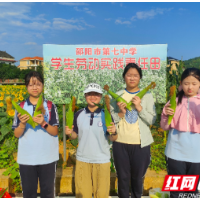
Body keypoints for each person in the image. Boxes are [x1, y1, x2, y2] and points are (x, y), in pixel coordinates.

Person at [110, 63, 157, 198]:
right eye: (129, 75)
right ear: (124, 77)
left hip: (141, 144)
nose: (132, 78)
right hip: (120, 142)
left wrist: (139, 108)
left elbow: (151, 120)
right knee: (123, 178)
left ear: (140, 78)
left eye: (135, 75)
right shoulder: (117, 95)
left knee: (138, 178)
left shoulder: (147, 95)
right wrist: (121, 112)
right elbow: (112, 120)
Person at [65, 83, 118, 198]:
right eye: (89, 94)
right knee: (83, 195)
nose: (93, 97)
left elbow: (113, 138)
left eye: (96, 94)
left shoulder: (106, 114)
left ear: (100, 97)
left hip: (102, 160)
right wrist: (69, 133)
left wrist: (113, 131)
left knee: (102, 195)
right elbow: (75, 135)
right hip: (83, 160)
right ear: (85, 95)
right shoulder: (79, 114)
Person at [12, 71, 59, 198]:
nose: (35, 87)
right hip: (27, 157)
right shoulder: (21, 106)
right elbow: (17, 134)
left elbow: (55, 131)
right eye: (31, 84)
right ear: (26, 87)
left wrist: (44, 123)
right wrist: (22, 124)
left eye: (38, 84)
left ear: (43, 86)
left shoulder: (50, 106)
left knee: (48, 193)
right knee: (29, 193)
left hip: (47, 157)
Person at [160, 68, 200, 198]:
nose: (190, 87)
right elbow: (164, 127)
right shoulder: (174, 102)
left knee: (191, 193)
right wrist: (165, 115)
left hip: (196, 155)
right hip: (175, 153)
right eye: (186, 83)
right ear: (181, 84)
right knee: (176, 193)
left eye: (194, 84)